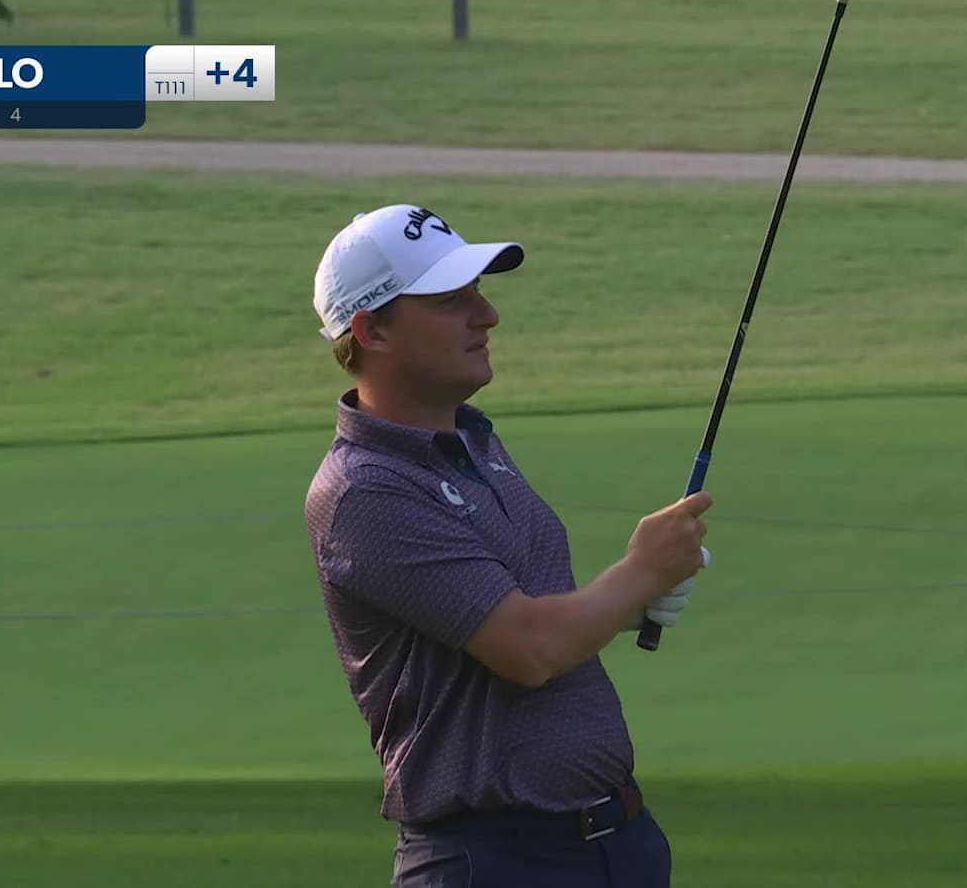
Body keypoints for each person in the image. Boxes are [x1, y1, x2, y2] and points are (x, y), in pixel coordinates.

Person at [304, 203, 712, 888]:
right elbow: (527, 650)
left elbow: (536, 614)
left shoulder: (474, 442)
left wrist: (629, 604)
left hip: (617, 846)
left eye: (479, 292)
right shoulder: (364, 491)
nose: (486, 315)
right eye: (450, 300)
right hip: (494, 861)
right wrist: (641, 571)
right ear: (373, 330)